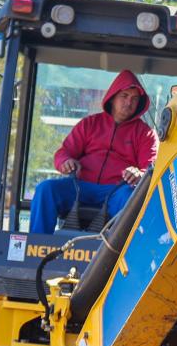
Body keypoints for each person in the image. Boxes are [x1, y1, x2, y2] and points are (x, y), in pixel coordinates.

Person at [30, 69, 159, 234]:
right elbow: (63, 153)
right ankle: (36, 247)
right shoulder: (90, 124)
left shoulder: (145, 133)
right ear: (113, 97)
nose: (129, 102)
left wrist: (138, 174)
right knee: (46, 189)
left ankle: (122, 256)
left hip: (116, 191)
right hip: (80, 186)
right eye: (124, 96)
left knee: (132, 199)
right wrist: (66, 162)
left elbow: (149, 170)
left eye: (134, 99)